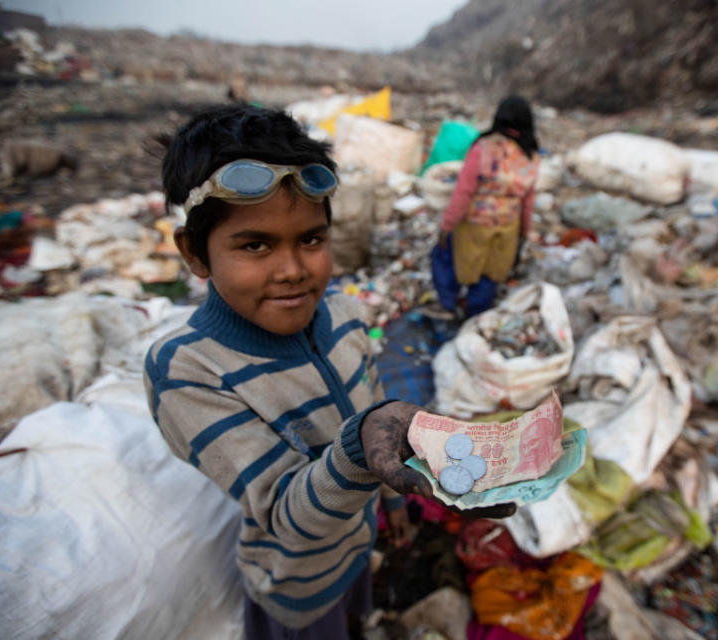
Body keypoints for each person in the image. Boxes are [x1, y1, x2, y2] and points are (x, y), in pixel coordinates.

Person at [144, 106, 507, 638]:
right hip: (298, 583)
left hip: (358, 544)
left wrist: (390, 497)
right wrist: (362, 448)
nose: (292, 269)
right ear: (194, 253)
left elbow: (375, 407)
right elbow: (284, 510)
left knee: (356, 614)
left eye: (311, 239)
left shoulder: (343, 313)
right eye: (255, 245)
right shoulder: (188, 370)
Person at [434, 95, 541, 317]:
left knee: (447, 257)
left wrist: (447, 225)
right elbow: (528, 201)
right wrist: (525, 231)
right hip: (507, 226)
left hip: (475, 224)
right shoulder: (531, 156)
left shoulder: (483, 148)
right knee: (491, 273)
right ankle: (475, 316)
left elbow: (463, 192)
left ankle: (448, 304)